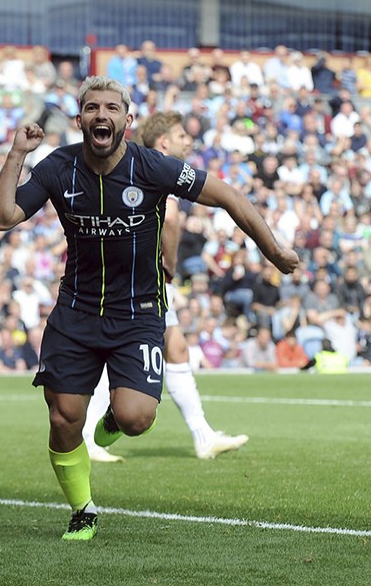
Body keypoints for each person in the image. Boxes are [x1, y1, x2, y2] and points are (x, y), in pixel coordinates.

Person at [0, 76, 298, 541]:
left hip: (138, 314)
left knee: (136, 419)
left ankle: (114, 417)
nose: (101, 115)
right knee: (63, 417)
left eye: (111, 108)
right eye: (92, 108)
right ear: (80, 120)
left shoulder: (154, 167)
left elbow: (229, 196)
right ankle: (83, 510)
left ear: (127, 121)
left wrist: (272, 251)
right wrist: (17, 155)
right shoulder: (57, 167)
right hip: (75, 312)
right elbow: (0, 217)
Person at [82, 109, 252, 463]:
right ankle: (88, 436)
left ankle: (203, 435)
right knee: (119, 352)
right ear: (163, 142)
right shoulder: (159, 170)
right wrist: (169, 270)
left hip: (130, 277)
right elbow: (171, 218)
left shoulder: (140, 167)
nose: (188, 141)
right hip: (146, 280)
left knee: (176, 349)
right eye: (180, 136)